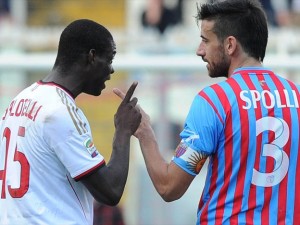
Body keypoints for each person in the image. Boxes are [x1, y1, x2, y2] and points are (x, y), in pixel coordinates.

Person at [114, 0, 300, 224]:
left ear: (230, 45)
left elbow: (169, 186)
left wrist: (145, 132)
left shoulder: (214, 101)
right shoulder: (296, 95)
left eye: (205, 40)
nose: (199, 50)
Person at [0, 19, 141, 224]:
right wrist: (123, 130)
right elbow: (110, 191)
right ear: (92, 57)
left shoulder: (19, 101)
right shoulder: (59, 110)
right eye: (109, 59)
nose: (111, 70)